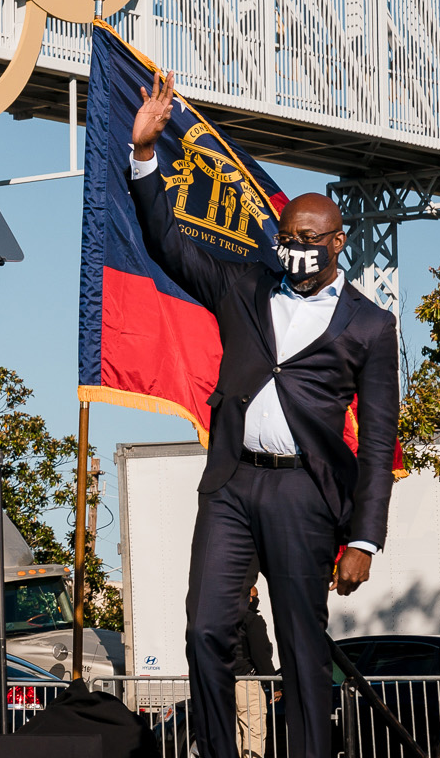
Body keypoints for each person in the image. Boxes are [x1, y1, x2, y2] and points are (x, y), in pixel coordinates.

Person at [130, 73, 398, 758]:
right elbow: (170, 246)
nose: (294, 246)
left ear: (338, 241)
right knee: (204, 633)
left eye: (308, 236)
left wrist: (364, 540)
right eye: (286, 235)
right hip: (233, 485)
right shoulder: (244, 283)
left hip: (305, 493)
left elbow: (377, 440)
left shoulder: (370, 325)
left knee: (302, 645)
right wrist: (145, 157)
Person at [233, 581, 276, 758]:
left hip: (225, 683)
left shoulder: (223, 620)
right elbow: (261, 655)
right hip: (247, 682)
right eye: (255, 596)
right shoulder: (253, 620)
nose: (256, 600)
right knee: (254, 731)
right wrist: (274, 684)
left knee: (234, 732)